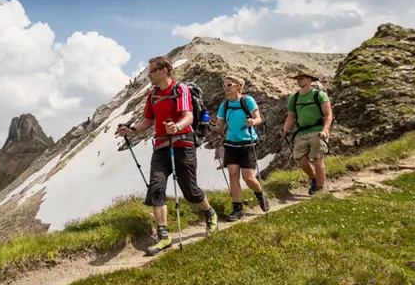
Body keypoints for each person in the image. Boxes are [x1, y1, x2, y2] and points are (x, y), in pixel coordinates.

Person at [116, 55, 218, 255]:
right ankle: (164, 236)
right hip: (161, 146)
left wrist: (176, 126)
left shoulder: (180, 90)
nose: (149, 75)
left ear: (164, 71)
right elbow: (147, 122)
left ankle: (210, 212)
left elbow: (188, 116)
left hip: (183, 143)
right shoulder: (153, 95)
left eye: (152, 71)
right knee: (156, 187)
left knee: (190, 190)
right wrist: (131, 129)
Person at [213, 76, 270, 221]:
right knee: (233, 174)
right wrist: (208, 125)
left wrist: (252, 121)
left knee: (248, 177)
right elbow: (219, 127)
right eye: (224, 85)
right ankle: (237, 209)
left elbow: (258, 118)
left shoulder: (247, 100)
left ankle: (260, 193)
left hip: (247, 143)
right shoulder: (224, 105)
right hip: (231, 143)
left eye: (229, 85)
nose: (225, 88)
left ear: (238, 86)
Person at [280, 68, 333, 195]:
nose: (299, 80)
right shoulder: (294, 97)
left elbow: (328, 115)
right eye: (298, 78)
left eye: (302, 78)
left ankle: (319, 190)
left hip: (318, 131)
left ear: (309, 80)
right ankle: (314, 179)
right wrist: (285, 129)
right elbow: (290, 116)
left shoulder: (319, 95)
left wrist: (325, 130)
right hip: (301, 132)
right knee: (300, 159)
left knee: (317, 159)